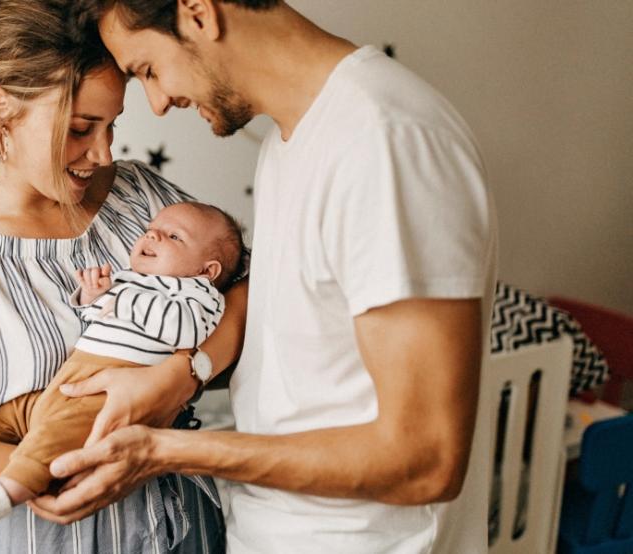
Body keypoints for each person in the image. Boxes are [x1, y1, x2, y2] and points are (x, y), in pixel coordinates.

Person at [31, 2, 498, 553]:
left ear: (199, 14)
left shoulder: (385, 141)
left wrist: (161, 451)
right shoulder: (290, 140)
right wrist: (189, 369)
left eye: (149, 71)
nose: (158, 104)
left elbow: (426, 460)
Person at [0, 1, 249, 552]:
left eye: (112, 126)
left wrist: (186, 374)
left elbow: (245, 286)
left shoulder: (139, 196)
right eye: (80, 129)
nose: (103, 152)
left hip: (187, 526)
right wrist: (99, 461)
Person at [0, 201, 245, 543]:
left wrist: (121, 298)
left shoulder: (199, 295)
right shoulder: (130, 280)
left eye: (173, 236)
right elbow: (97, 319)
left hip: (107, 393)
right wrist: (93, 296)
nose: (153, 235)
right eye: (151, 229)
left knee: (51, 442)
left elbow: (182, 330)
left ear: (208, 271)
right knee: (5, 417)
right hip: (71, 380)